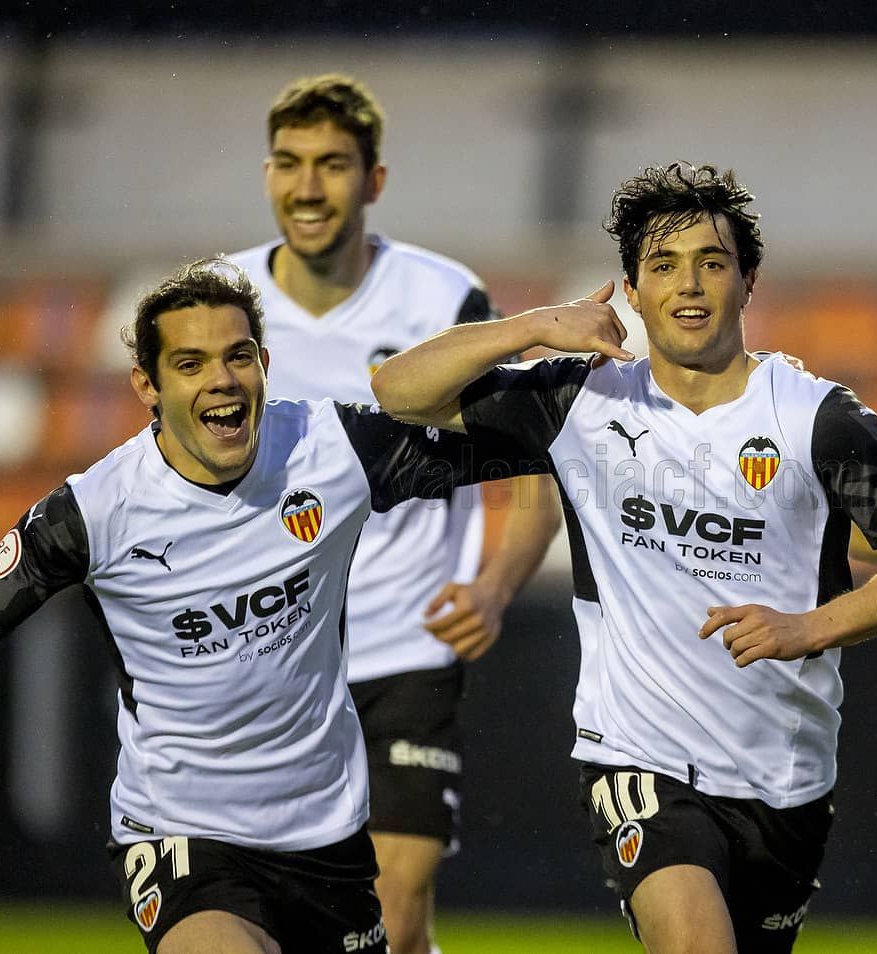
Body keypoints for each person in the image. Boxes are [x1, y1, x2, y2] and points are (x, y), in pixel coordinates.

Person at [371, 162, 877, 954]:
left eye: (711, 263)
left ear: (747, 281)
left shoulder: (815, 418)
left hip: (786, 779)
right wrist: (529, 327)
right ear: (631, 287)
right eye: (662, 265)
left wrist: (810, 628)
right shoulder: (583, 401)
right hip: (639, 759)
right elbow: (397, 391)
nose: (688, 285)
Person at [0, 258, 507, 954]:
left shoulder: (328, 450)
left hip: (327, 839)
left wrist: (549, 336)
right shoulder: (93, 513)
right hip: (182, 836)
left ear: (265, 363)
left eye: (238, 356)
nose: (222, 379)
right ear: (147, 386)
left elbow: (506, 436)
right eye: (190, 363)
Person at [225, 74, 561, 954]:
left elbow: (530, 466)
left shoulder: (442, 300)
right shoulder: (222, 303)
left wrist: (491, 586)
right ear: (267, 175)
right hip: (263, 655)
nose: (307, 186)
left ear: (374, 180)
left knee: (391, 912)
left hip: (406, 647)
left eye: (332, 164)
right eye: (290, 164)